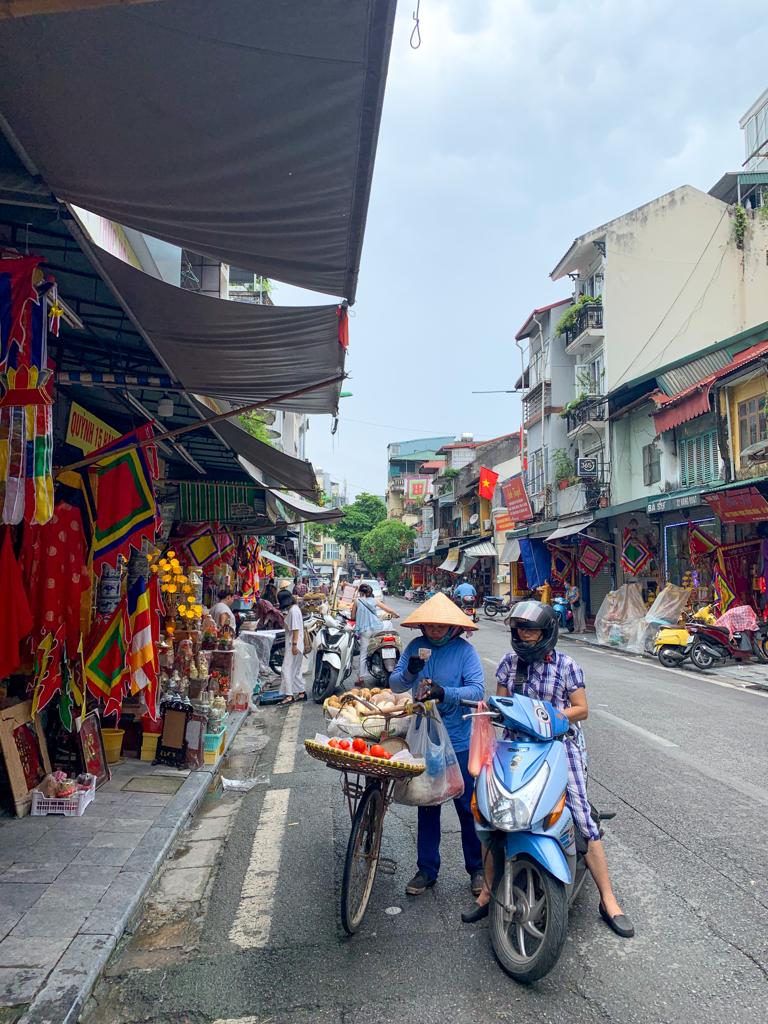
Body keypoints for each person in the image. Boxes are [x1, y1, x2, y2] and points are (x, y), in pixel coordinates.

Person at [462, 600, 634, 938]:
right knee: (491, 812)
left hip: (560, 746)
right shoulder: (510, 664)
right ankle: (486, 893)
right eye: (520, 630)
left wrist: (545, 715)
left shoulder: (567, 665)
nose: (525, 636)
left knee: (582, 815)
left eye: (531, 630)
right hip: (514, 746)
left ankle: (609, 899)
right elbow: (500, 705)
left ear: (547, 632)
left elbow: (581, 710)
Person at [390, 593, 485, 899]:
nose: (433, 630)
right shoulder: (415, 647)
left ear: (451, 626)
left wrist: (446, 693)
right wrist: (411, 670)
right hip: (424, 736)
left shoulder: (464, 651)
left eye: (439, 626)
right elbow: (395, 685)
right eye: (428, 625)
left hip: (458, 739)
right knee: (427, 802)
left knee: (466, 806)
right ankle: (427, 869)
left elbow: (477, 689)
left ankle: (477, 869)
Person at [351, 583, 399, 683]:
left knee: (363, 653)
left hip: (365, 631)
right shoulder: (375, 600)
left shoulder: (357, 601)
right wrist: (395, 614)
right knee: (388, 624)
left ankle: (361, 678)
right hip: (378, 628)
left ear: (360, 592)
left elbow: (352, 617)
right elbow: (387, 609)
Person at [277, 589, 305, 703]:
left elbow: (295, 630)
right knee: (296, 670)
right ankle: (301, 692)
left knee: (286, 669)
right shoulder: (295, 609)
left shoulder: (293, 611)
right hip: (298, 643)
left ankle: (289, 695)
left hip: (293, 643)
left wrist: (294, 645)